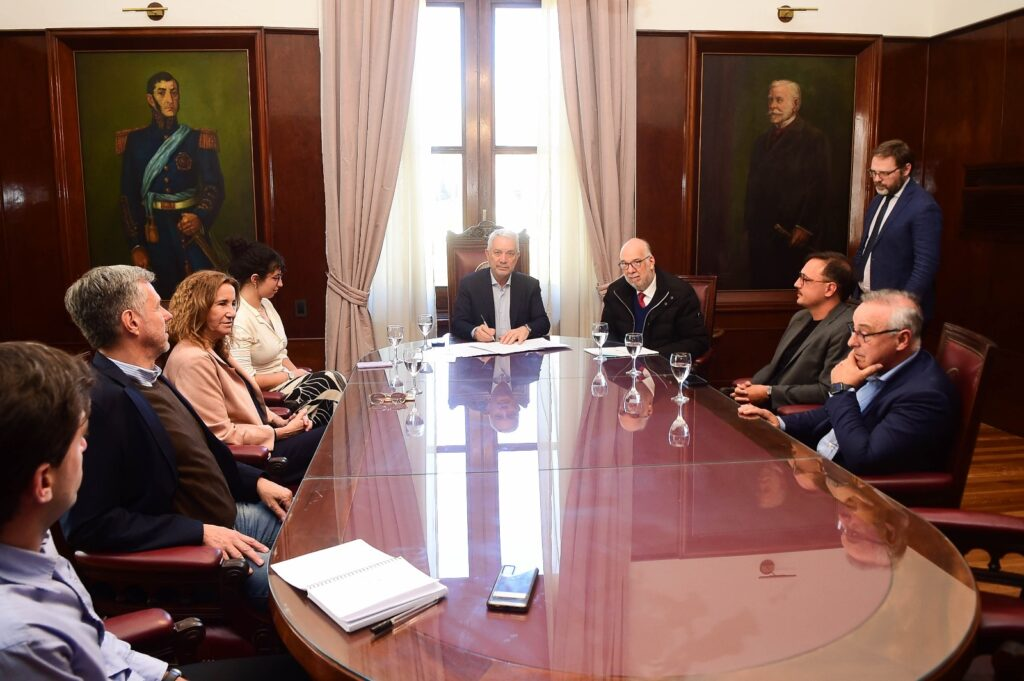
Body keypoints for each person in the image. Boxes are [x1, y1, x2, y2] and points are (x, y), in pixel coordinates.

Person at [63, 265, 292, 608]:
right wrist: (198, 533)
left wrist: (256, 482)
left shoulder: (149, 375)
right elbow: (90, 526)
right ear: (132, 322)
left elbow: (198, 453)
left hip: (231, 514)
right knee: (303, 594)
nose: (169, 315)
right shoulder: (101, 402)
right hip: (196, 553)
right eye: (157, 307)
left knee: (318, 536)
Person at [0, 341, 173, 680]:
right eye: (79, 437)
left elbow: (97, 640)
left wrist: (165, 675)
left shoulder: (33, 536)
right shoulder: (23, 640)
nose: (86, 446)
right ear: (43, 482)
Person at [738, 290, 958, 475]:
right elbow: (830, 413)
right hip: (819, 470)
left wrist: (842, 390)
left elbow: (864, 460)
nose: (851, 342)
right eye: (853, 331)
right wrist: (780, 423)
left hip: (861, 501)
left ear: (901, 339)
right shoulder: (884, 364)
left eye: (864, 334)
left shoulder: (923, 395)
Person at [164, 270, 324, 483]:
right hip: (251, 460)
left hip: (263, 439)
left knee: (333, 427)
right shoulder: (194, 360)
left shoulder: (214, 348)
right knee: (334, 438)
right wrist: (279, 433)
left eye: (233, 304)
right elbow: (220, 435)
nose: (231, 312)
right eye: (222, 304)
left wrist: (283, 421)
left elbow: (248, 402)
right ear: (198, 308)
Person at [118, 71, 225, 299]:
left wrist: (200, 217)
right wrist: (136, 245)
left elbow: (213, 186)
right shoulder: (135, 142)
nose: (170, 99)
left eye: (174, 92)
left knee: (201, 294)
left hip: (189, 229)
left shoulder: (196, 139)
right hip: (154, 232)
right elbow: (128, 197)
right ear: (150, 99)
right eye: (162, 92)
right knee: (162, 294)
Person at [226, 237, 345, 428]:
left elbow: (281, 354)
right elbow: (246, 380)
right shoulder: (239, 318)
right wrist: (291, 376)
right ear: (255, 279)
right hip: (268, 395)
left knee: (331, 396)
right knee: (331, 380)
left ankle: (321, 438)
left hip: (285, 384)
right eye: (276, 278)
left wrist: (296, 373)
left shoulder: (267, 305)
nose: (280, 284)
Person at [732, 251, 856, 409]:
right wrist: (748, 388)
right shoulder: (801, 317)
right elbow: (775, 367)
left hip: (789, 414)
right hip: (761, 402)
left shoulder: (844, 328)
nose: (797, 283)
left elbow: (827, 389)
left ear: (830, 289)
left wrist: (769, 392)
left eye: (805, 279)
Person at [744, 80, 831, 289]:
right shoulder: (760, 141)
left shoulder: (813, 138)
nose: (773, 105)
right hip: (760, 234)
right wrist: (748, 225)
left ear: (796, 104)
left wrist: (805, 226)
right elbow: (752, 187)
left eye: (779, 100)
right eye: (771, 100)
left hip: (791, 236)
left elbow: (820, 187)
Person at [853, 139, 942, 320]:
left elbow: (925, 264)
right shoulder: (878, 199)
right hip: (863, 299)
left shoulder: (923, 206)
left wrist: (903, 304)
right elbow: (866, 247)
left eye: (884, 173)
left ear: (906, 169)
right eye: (873, 172)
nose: (877, 179)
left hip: (895, 309)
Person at [600, 238, 710, 357]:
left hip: (662, 368)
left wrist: (655, 358)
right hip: (624, 368)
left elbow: (697, 341)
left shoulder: (680, 293)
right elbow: (607, 335)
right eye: (624, 264)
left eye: (637, 262)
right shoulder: (615, 291)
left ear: (651, 262)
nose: (630, 270)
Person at [451, 229, 551, 343]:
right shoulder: (469, 284)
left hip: (518, 354)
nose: (503, 260)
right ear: (487, 255)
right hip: (483, 356)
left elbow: (543, 323)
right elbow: (457, 323)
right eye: (497, 252)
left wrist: (526, 329)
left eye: (510, 253)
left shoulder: (530, 285)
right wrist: (475, 332)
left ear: (517, 256)